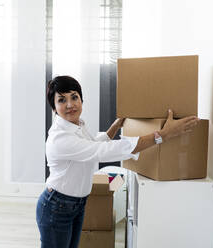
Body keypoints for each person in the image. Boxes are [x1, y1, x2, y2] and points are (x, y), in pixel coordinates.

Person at [36, 75, 200, 248]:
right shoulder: (60, 138)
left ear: (82, 99)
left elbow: (92, 145)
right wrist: (163, 135)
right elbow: (102, 151)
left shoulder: (77, 126)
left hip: (75, 204)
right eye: (62, 100)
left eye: (74, 97)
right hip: (57, 206)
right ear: (54, 108)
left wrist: (116, 126)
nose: (70, 105)